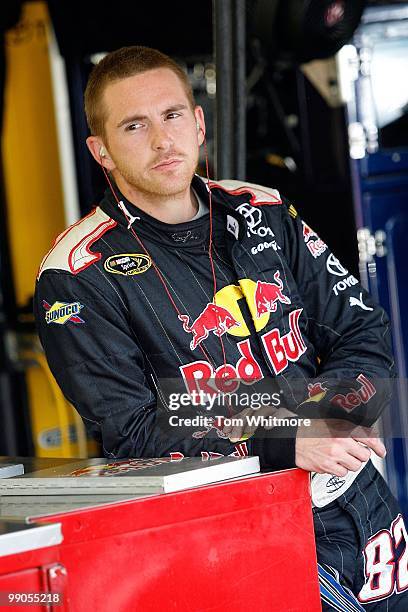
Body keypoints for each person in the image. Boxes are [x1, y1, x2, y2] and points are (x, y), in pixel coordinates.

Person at [34, 46, 407, 610]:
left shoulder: (262, 209)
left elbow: (362, 330)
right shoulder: (76, 274)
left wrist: (340, 410)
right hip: (234, 533)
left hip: (363, 505)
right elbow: (134, 433)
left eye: (173, 115)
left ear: (199, 122)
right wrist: (286, 436)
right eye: (135, 126)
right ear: (100, 150)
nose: (163, 141)